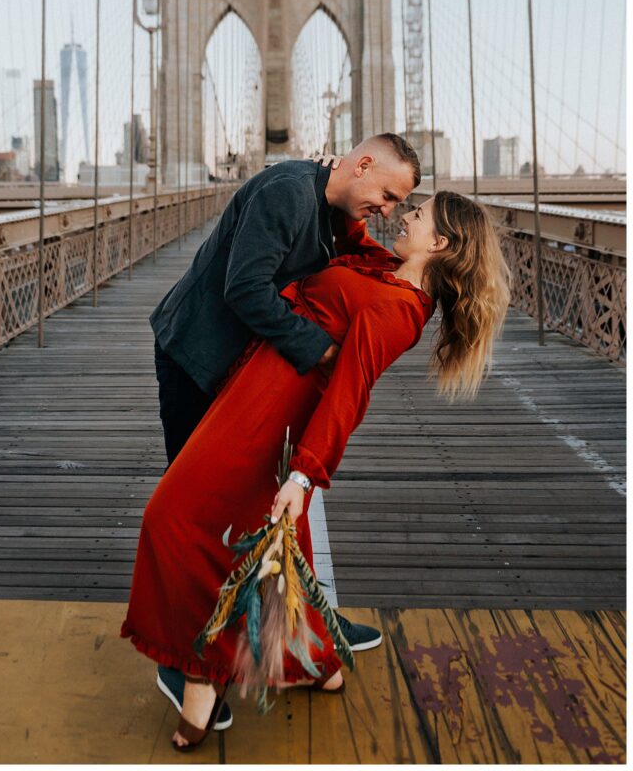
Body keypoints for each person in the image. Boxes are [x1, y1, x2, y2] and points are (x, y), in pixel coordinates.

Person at [122, 190, 511, 749]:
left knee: (171, 517)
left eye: (417, 215)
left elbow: (348, 394)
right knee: (271, 545)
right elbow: (348, 240)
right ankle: (313, 662)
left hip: (267, 409)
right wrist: (335, 187)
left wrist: (305, 476)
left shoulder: (399, 309)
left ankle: (201, 674)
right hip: (253, 385)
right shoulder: (388, 272)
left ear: (442, 243)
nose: (404, 216)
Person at [148, 132, 421, 689]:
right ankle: (180, 659)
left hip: (249, 369)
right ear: (363, 164)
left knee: (266, 504)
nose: (390, 211)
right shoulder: (288, 193)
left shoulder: (334, 203)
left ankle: (303, 628)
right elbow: (244, 289)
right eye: (388, 195)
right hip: (197, 356)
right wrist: (321, 351)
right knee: (197, 509)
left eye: (398, 204)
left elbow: (363, 258)